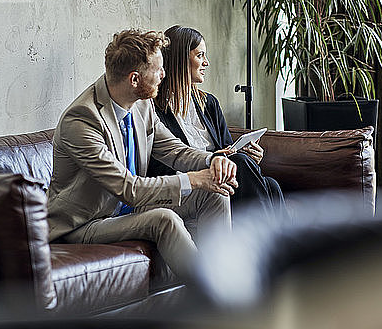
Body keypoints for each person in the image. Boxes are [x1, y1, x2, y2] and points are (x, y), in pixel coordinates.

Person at [46, 29, 238, 279]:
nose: (164, 75)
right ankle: (215, 300)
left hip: (127, 210)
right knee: (163, 220)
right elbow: (130, 189)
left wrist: (212, 160)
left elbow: (173, 150)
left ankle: (228, 278)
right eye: (158, 70)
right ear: (134, 79)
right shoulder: (82, 121)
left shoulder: (142, 104)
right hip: (84, 222)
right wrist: (193, 179)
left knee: (215, 195)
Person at [150, 25, 288, 218]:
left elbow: (228, 148)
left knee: (270, 184)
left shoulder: (209, 103)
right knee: (247, 168)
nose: (206, 62)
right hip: (193, 182)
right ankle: (279, 245)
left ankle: (281, 245)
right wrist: (218, 161)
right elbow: (160, 163)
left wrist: (248, 154)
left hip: (223, 176)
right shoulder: (153, 109)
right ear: (180, 60)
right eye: (200, 56)